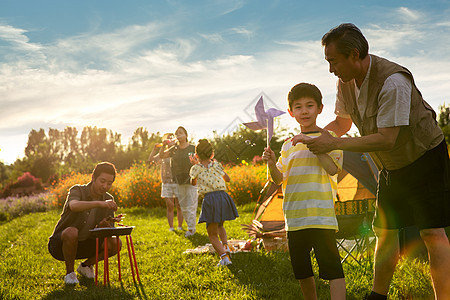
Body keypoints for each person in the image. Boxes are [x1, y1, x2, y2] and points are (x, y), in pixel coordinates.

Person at [301, 23, 450, 299]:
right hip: (391, 165)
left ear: (354, 55)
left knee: (431, 232)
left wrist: (333, 143)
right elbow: (343, 123)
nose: (331, 69)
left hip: (424, 156)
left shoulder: (393, 82)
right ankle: (377, 296)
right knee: (385, 229)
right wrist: (312, 135)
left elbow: (387, 139)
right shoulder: (344, 83)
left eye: (333, 61)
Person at [263, 83, 346, 300]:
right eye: (298, 107)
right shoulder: (287, 146)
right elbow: (278, 179)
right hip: (295, 218)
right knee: (302, 271)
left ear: (320, 108)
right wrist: (272, 163)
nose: (305, 111)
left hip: (321, 217)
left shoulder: (329, 139)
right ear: (291, 113)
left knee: (333, 270)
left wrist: (312, 143)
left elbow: (332, 169)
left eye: (310, 105)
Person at [47, 162, 123, 285]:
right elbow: (74, 205)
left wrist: (105, 226)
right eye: (102, 181)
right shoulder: (78, 190)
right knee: (72, 231)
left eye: (109, 183)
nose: (105, 186)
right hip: (61, 246)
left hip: (88, 245)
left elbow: (107, 232)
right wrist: (99, 203)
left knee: (116, 242)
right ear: (93, 177)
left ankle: (86, 266)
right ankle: (70, 274)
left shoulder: (108, 198)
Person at [190, 139, 238, 266]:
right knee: (220, 225)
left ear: (196, 155)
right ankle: (225, 246)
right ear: (212, 154)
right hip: (223, 197)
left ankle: (224, 258)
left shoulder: (196, 168)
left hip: (211, 199)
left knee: (212, 234)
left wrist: (195, 166)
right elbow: (227, 179)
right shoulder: (216, 165)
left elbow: (193, 182)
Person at [160, 126, 198, 237]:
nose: (178, 134)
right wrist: (163, 146)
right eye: (177, 133)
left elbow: (200, 161)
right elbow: (162, 155)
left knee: (191, 206)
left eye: (180, 132)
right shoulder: (174, 149)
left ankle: (191, 229)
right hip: (178, 180)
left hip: (191, 179)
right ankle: (190, 228)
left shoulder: (193, 148)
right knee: (184, 207)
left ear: (186, 135)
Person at [148, 133, 184, 232]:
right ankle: (171, 227)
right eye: (168, 139)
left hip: (177, 181)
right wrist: (155, 149)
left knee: (179, 205)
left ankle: (180, 226)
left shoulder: (177, 151)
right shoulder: (162, 153)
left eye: (171, 138)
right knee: (170, 205)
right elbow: (150, 160)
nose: (170, 140)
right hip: (167, 182)